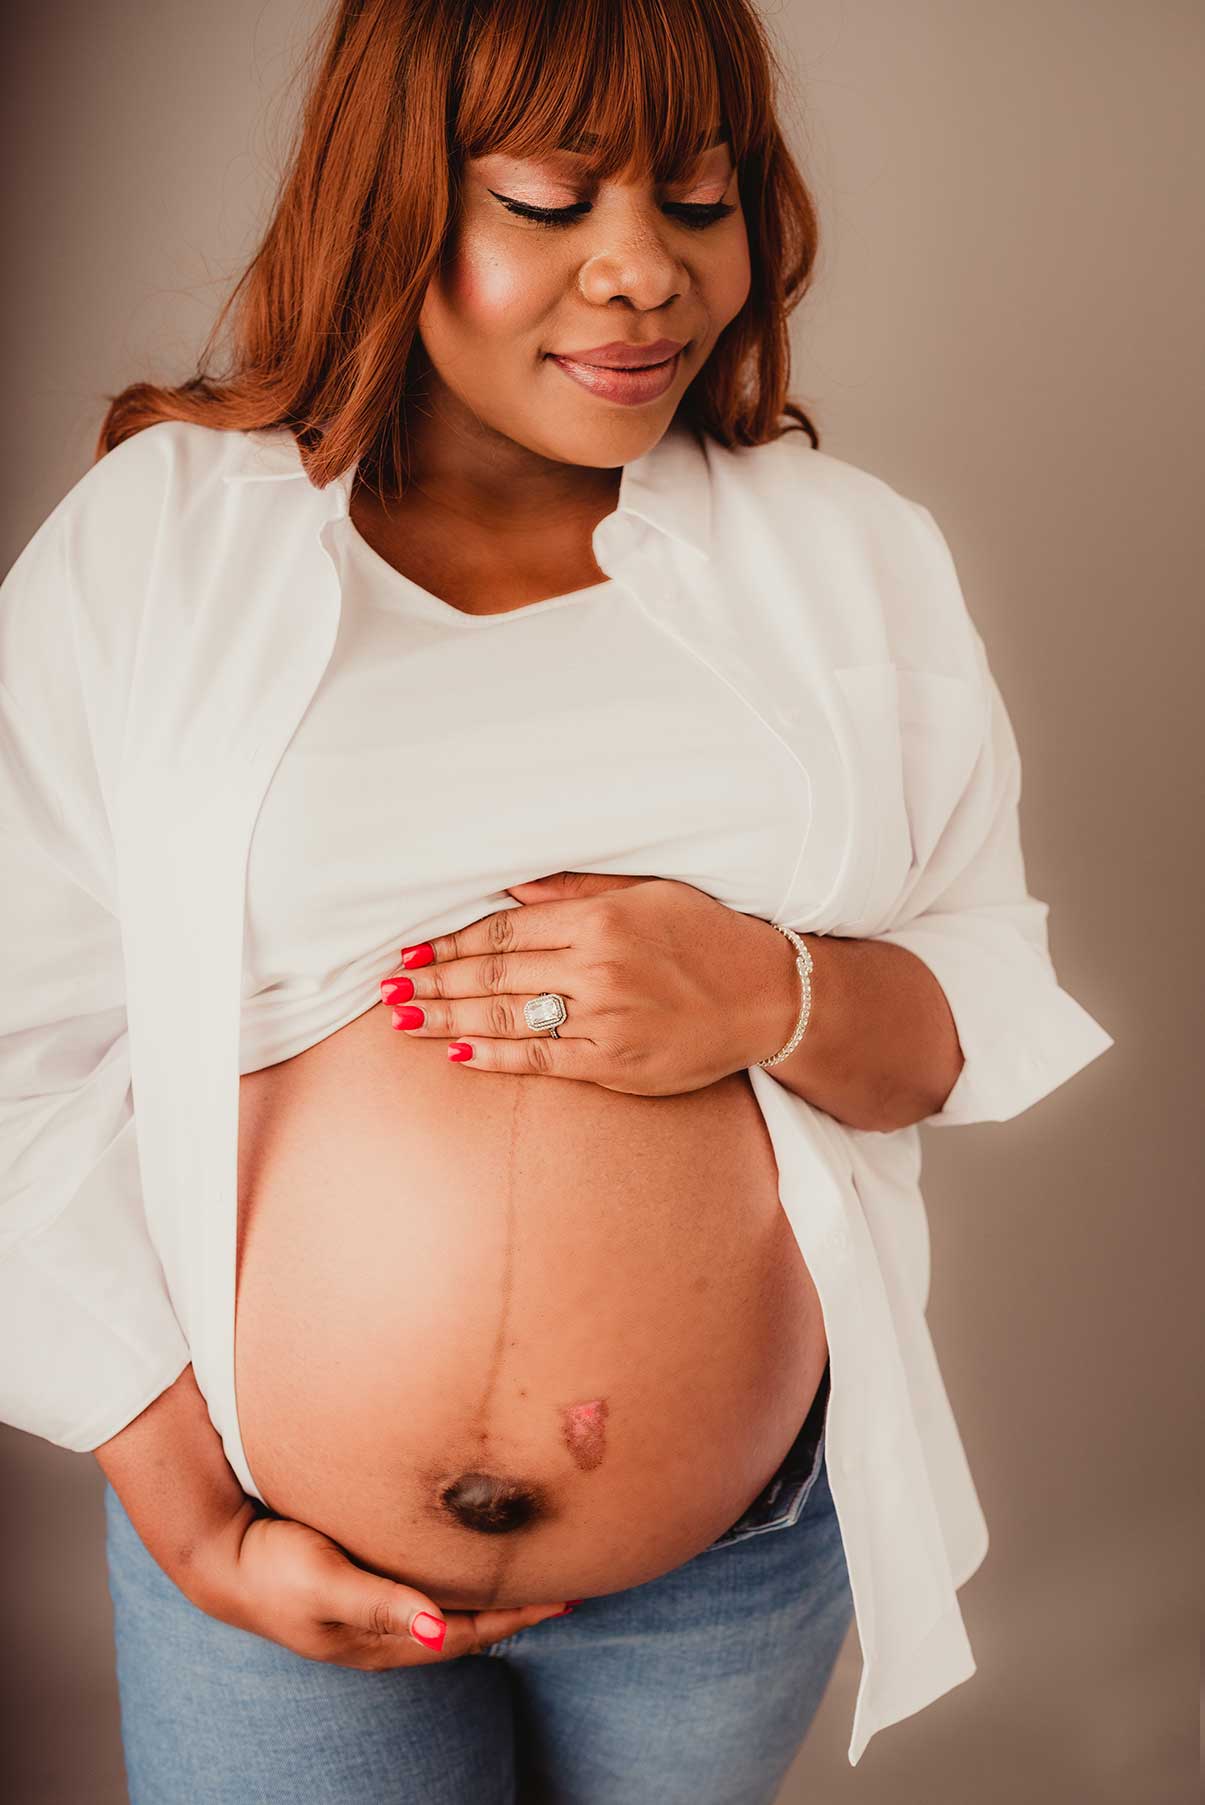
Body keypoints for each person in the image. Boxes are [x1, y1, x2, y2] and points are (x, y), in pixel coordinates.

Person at [0, 1, 1115, 1799]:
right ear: (393, 204)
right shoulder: (167, 548)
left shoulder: (848, 564)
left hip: (723, 1577)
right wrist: (191, 1515)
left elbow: (963, 1005)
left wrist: (768, 992)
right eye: (545, 201)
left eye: (696, 200)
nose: (643, 276)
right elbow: (16, 1052)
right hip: (269, 1543)